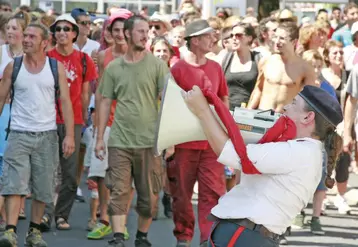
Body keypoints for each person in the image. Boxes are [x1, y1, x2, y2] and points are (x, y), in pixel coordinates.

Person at [181, 84, 343, 247]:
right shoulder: (306, 150)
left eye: (293, 103)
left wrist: (202, 111)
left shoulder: (297, 151)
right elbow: (244, 174)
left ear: (308, 117)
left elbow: (229, 154)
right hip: (250, 235)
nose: (286, 107)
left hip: (243, 236)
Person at [95, 15, 169, 247]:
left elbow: (168, 101)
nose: (145, 35)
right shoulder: (114, 67)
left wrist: (170, 138)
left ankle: (142, 236)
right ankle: (118, 237)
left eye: (147, 31)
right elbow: (105, 101)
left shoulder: (157, 66)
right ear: (127, 34)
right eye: (140, 31)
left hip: (150, 141)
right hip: (120, 140)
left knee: (148, 197)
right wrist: (99, 138)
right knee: (118, 190)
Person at [0, 22, 75, 247]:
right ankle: (10, 231)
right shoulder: (14, 67)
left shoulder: (55, 67)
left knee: (43, 186)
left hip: (47, 135)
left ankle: (34, 232)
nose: (26, 40)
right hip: (19, 134)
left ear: (45, 42)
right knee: (14, 183)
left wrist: (69, 135)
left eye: (32, 37)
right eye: (26, 36)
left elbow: (66, 102)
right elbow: (1, 98)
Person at [168, 19, 229, 247]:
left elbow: (223, 97)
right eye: (208, 36)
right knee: (182, 195)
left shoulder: (215, 67)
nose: (213, 39)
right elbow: (170, 107)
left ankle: (207, 239)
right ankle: (183, 237)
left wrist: (226, 129)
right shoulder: (178, 69)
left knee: (212, 193)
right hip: (184, 143)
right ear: (195, 41)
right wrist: (170, 143)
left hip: (212, 144)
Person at [40, 14, 97, 232]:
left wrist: (81, 123)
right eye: (58, 29)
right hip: (47, 120)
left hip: (73, 122)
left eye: (67, 29)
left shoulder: (83, 59)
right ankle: (45, 214)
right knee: (47, 171)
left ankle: (61, 214)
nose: (62, 32)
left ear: (75, 33)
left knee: (71, 175)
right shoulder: (46, 57)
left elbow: (85, 94)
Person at [87, 9, 132, 240]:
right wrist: (98, 127)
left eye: (124, 30)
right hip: (107, 123)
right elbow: (101, 93)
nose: (120, 35)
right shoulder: (103, 56)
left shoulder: (140, 56)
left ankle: (120, 222)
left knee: (125, 176)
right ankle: (104, 219)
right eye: (116, 30)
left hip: (131, 125)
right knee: (102, 174)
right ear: (110, 33)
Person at [247, 21, 317, 113]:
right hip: (263, 113)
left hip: (286, 118)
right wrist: (247, 113)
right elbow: (258, 89)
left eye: (282, 38)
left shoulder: (305, 68)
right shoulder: (266, 61)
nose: (277, 41)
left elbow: (308, 100)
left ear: (294, 42)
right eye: (275, 37)